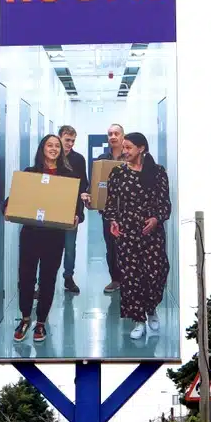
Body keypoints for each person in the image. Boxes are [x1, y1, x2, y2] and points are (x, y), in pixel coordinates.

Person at [3, 134, 82, 344]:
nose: (54, 149)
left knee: (48, 279)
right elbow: (14, 199)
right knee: (26, 278)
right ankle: (26, 318)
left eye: (57, 146)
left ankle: (41, 323)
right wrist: (7, 208)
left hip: (54, 236)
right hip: (30, 234)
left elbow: (77, 207)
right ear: (43, 148)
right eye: (50, 145)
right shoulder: (30, 173)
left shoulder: (67, 176)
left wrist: (77, 217)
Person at [103, 132, 172, 339]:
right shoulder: (117, 173)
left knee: (155, 274)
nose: (124, 152)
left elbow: (165, 203)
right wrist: (113, 221)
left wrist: (156, 219)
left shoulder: (158, 173)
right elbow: (111, 202)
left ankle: (151, 309)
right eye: (123, 147)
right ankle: (138, 320)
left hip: (152, 234)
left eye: (128, 148)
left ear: (141, 148)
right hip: (127, 233)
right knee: (131, 277)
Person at [58, 125, 90, 294]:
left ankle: (68, 278)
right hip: (52, 209)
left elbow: (83, 183)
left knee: (70, 248)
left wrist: (79, 212)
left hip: (71, 211)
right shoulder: (51, 157)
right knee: (49, 247)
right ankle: (42, 283)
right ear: (59, 138)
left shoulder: (78, 159)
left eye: (72, 141)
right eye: (67, 140)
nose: (70, 144)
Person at [95, 123, 126, 294]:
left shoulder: (130, 156)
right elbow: (96, 184)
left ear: (122, 136)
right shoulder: (102, 159)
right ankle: (115, 280)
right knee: (111, 247)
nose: (113, 136)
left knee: (128, 246)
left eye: (116, 133)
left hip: (129, 211)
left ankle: (129, 280)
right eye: (110, 134)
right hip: (108, 212)